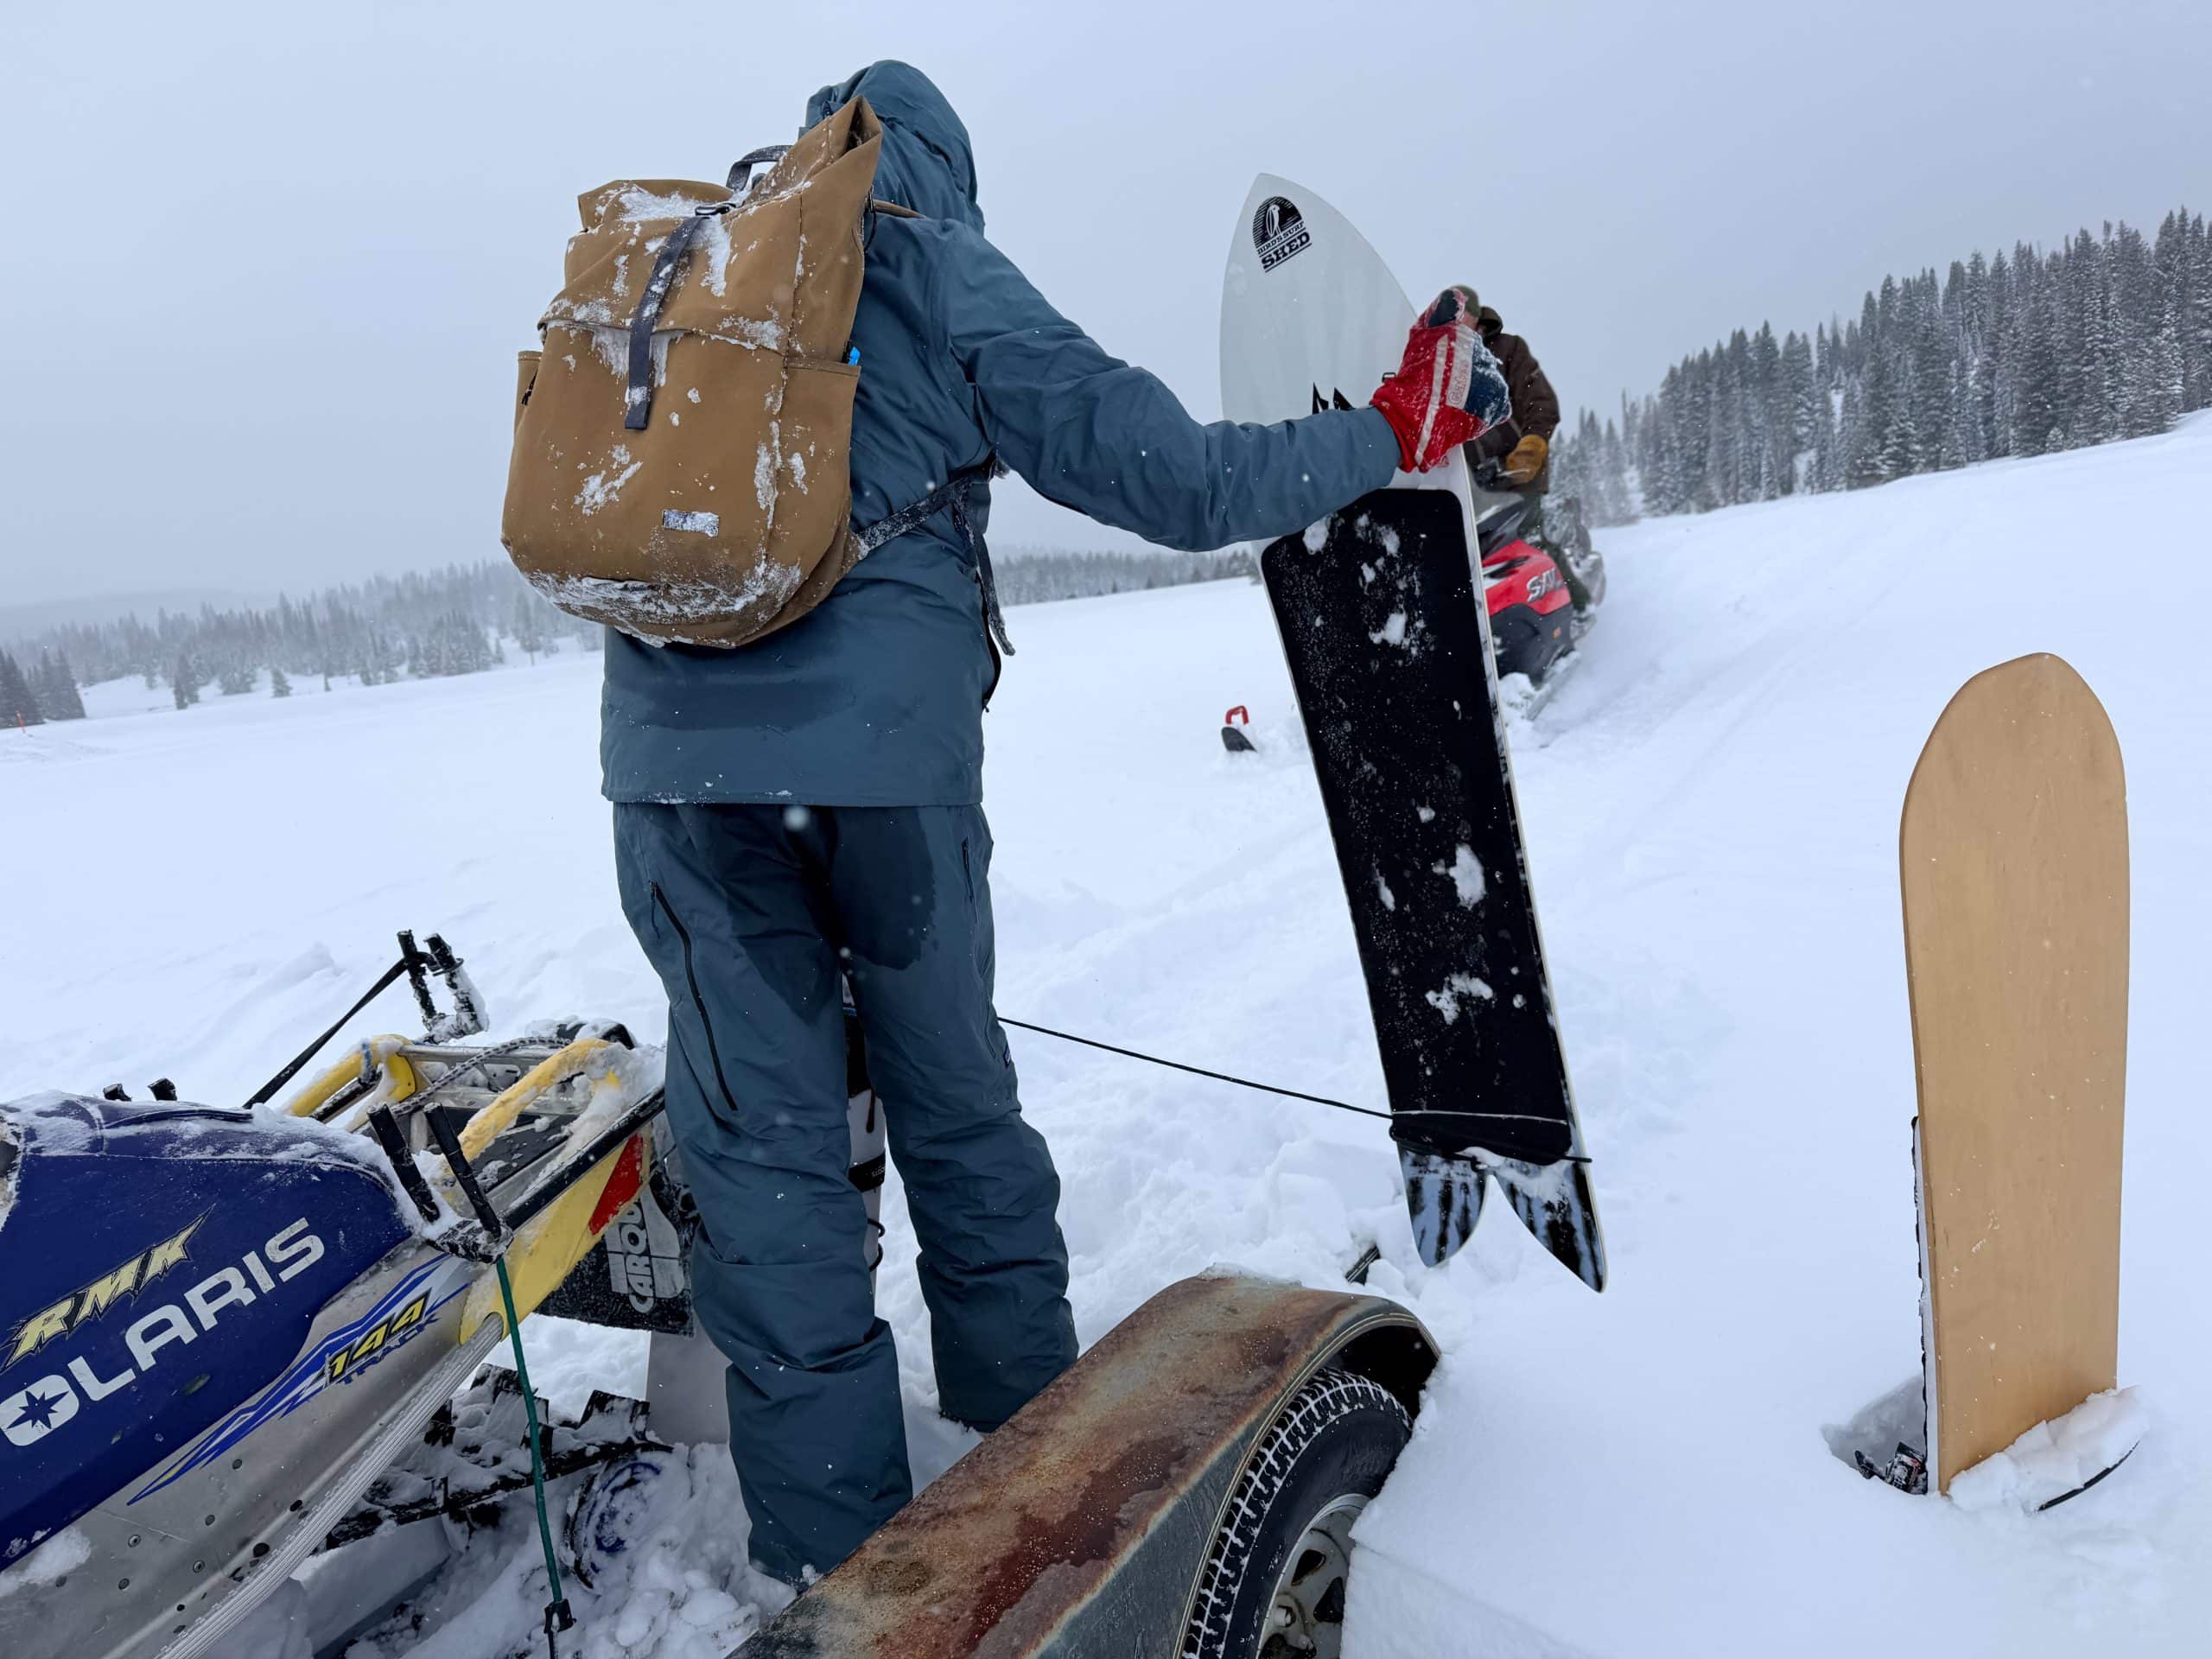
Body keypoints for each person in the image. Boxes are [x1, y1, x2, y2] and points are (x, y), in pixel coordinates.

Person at [603, 60, 1505, 1587]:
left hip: (670, 776)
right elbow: (1175, 479)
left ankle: (836, 1568)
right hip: (882, 771)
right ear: (939, 168)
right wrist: (1388, 432)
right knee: (952, 1099)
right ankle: (1024, 1444)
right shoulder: (928, 257)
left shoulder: (688, 274)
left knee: (764, 1162)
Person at [1461, 302, 1591, 611]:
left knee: (1530, 540)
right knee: (1471, 553)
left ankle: (1577, 607)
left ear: (1479, 321)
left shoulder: (1508, 350)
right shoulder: (1445, 364)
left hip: (1517, 471)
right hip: (1471, 479)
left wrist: (1531, 446)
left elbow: (1541, 402)